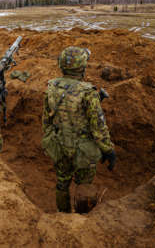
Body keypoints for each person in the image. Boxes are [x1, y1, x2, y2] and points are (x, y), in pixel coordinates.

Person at [42, 46, 116, 213]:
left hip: (59, 145)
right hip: (83, 149)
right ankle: (82, 218)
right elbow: (98, 127)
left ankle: (63, 215)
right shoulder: (88, 92)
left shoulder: (51, 87)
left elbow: (46, 120)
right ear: (82, 67)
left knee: (62, 183)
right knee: (84, 185)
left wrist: (50, 140)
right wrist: (108, 150)